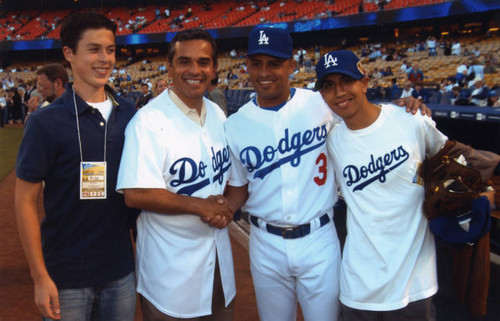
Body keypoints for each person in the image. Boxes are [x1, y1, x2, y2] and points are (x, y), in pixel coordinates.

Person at [223, 26, 426, 321]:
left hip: (319, 238)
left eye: (275, 63)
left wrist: (402, 107)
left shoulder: (321, 103)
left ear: (292, 65)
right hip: (265, 242)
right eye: (257, 63)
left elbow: (363, 113)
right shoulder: (235, 125)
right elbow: (239, 187)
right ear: (247, 67)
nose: (264, 72)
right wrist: (215, 210)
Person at [15, 12, 138, 321]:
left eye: (110, 49)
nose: (105, 58)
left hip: (120, 272)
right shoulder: (45, 122)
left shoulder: (130, 113)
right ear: (69, 54)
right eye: (94, 49)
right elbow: (25, 200)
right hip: (65, 276)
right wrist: (39, 276)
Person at [315, 49, 447, 321]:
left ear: (364, 82)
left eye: (346, 81)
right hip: (359, 283)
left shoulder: (411, 120)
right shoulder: (332, 141)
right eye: (329, 86)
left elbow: (451, 160)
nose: (339, 92)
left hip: (414, 282)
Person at [116, 28, 236, 321]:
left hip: (218, 261)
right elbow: (136, 193)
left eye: (203, 62)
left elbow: (228, 179)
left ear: (215, 68)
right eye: (184, 61)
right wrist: (202, 206)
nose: (194, 70)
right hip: (169, 271)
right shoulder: (147, 121)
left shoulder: (217, 114)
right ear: (169, 66)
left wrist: (225, 208)